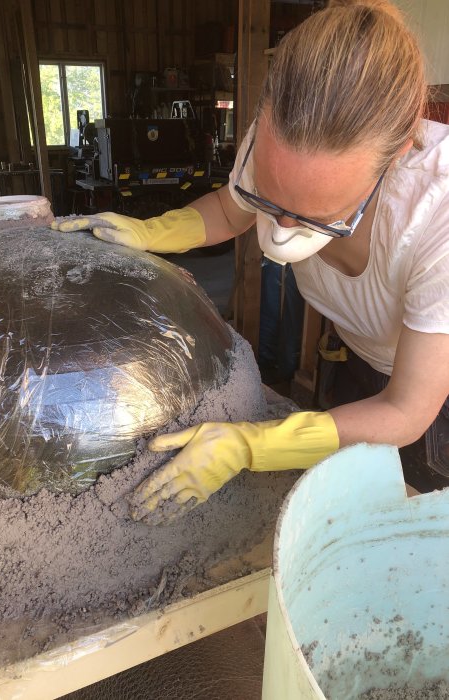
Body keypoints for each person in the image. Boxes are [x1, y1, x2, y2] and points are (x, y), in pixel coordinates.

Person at [52, 0, 449, 524]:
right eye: (272, 200)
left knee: (423, 529)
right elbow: (227, 209)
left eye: (316, 217)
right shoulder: (275, 139)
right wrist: (151, 232)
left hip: (431, 399)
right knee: (355, 504)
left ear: (396, 154)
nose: (281, 233)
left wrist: (248, 447)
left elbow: (404, 411)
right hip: (362, 361)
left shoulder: (436, 215)